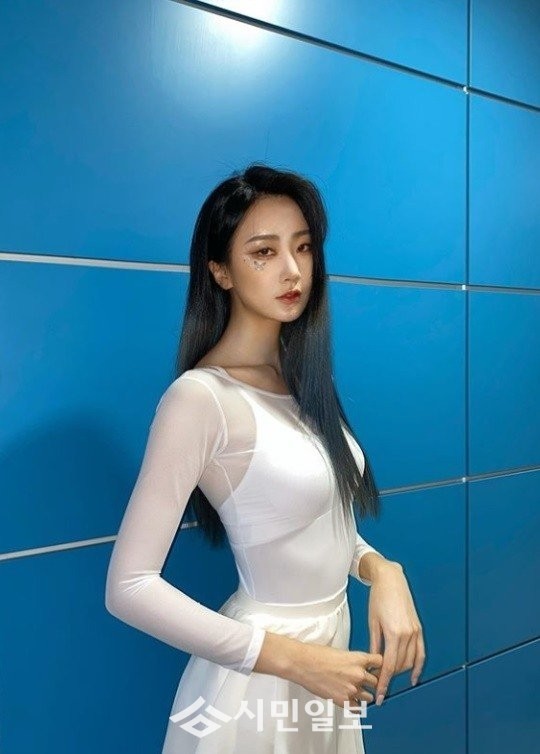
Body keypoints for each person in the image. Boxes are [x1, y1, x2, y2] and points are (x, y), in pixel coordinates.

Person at [105, 164, 425, 753]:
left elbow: (317, 522)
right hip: (260, 684)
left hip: (325, 671)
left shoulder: (303, 383)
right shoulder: (200, 399)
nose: (293, 270)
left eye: (302, 247)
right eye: (264, 252)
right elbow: (128, 586)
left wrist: (382, 570)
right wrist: (295, 660)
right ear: (220, 271)